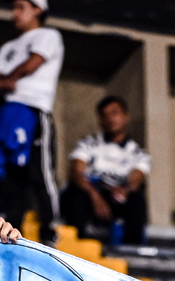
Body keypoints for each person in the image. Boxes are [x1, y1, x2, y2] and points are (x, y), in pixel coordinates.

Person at [0, 0, 64, 244]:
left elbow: (32, 63)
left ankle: (49, 230)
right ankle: (12, 232)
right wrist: (3, 83)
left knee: (41, 172)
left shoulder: (49, 35)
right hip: (7, 111)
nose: (15, 13)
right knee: (11, 174)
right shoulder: (8, 46)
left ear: (38, 9)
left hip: (34, 110)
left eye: (21, 7)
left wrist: (8, 80)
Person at [60, 95, 150, 245]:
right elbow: (76, 173)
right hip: (90, 194)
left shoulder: (138, 152)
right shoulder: (88, 143)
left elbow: (136, 179)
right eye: (104, 115)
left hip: (115, 198)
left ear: (126, 117)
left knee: (136, 200)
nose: (110, 119)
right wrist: (95, 196)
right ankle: (75, 245)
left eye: (114, 113)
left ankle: (131, 250)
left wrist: (124, 191)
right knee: (75, 193)